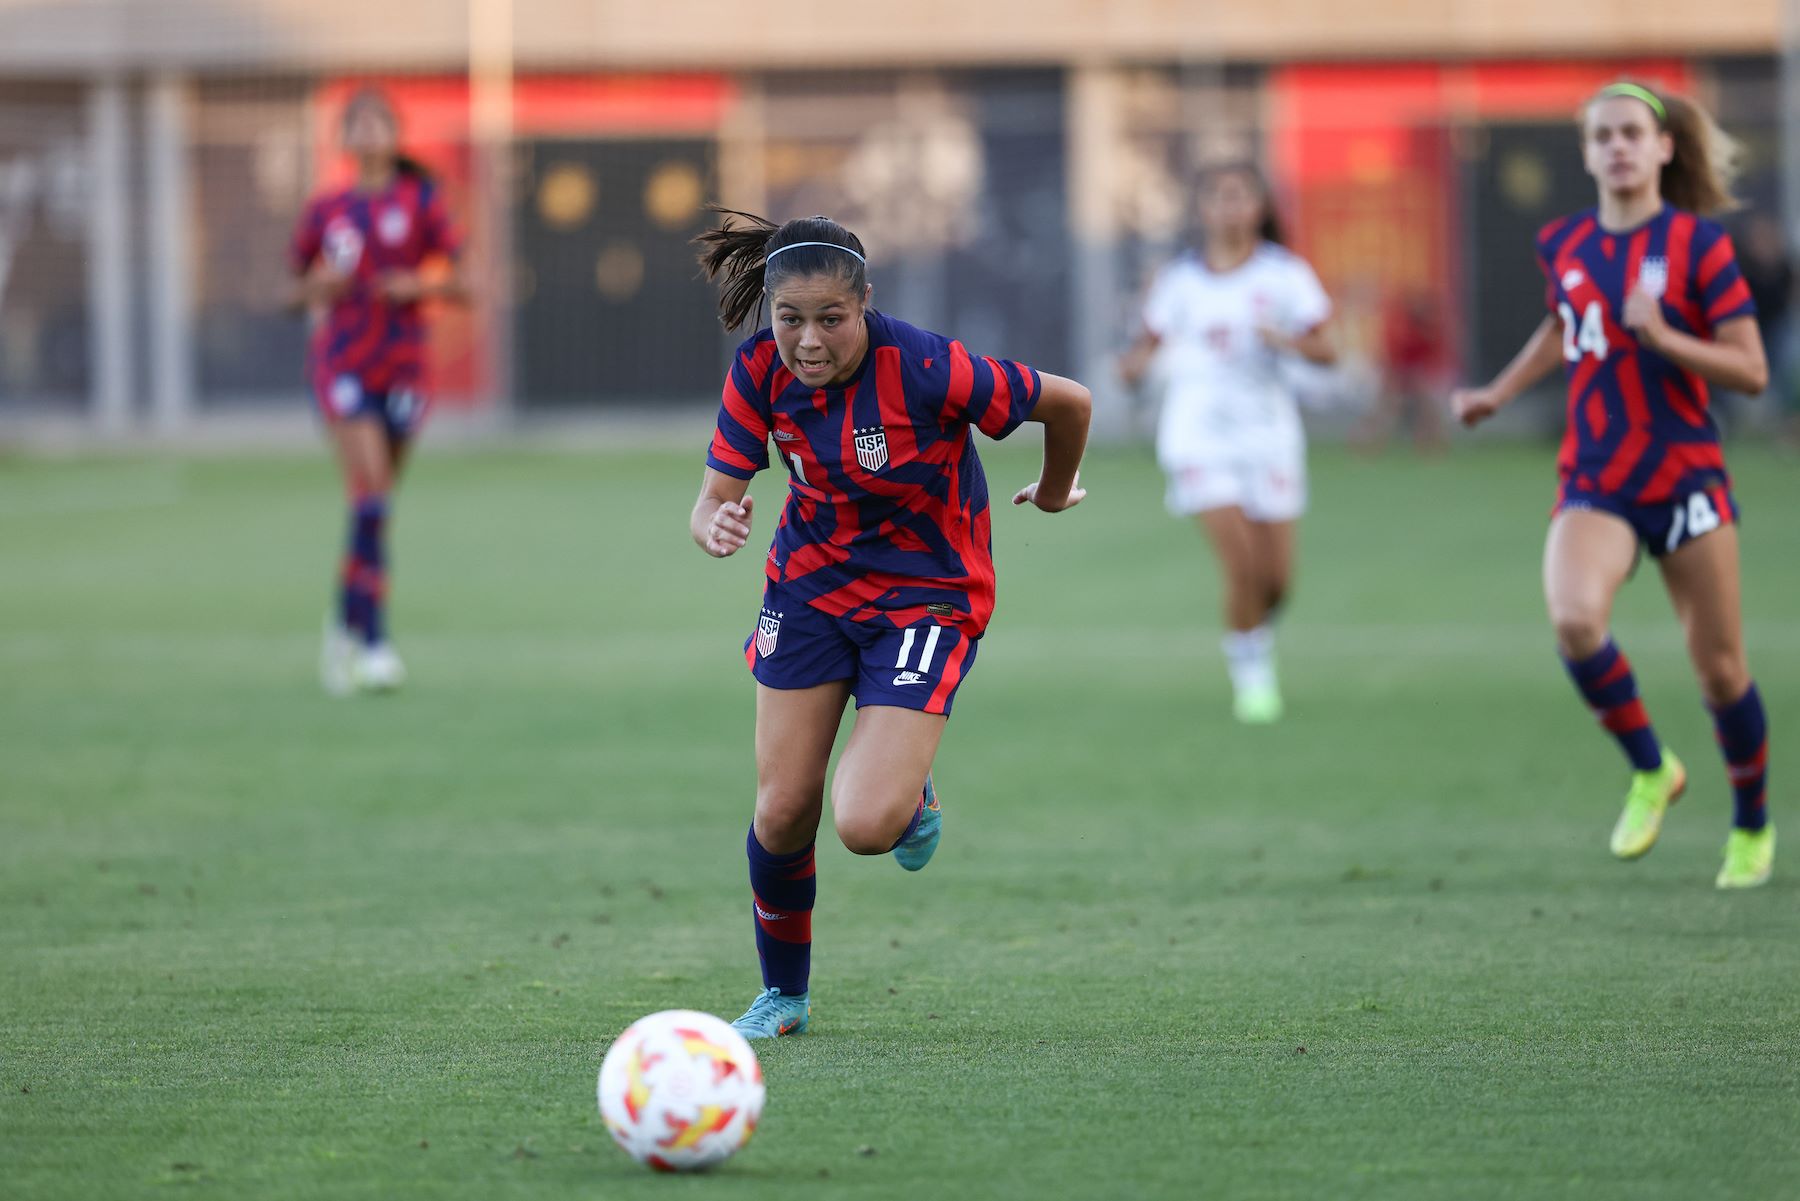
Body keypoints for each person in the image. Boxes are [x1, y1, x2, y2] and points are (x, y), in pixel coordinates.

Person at [690, 209, 1091, 1038]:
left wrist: (1054, 489)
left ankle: (905, 788)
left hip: (928, 592)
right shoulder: (759, 368)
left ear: (865, 304)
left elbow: (1069, 402)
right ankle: (784, 996)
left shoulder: (928, 367)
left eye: (830, 319)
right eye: (789, 318)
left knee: (867, 824)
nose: (807, 341)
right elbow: (713, 500)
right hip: (807, 589)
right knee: (782, 810)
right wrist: (715, 525)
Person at [1452, 80, 1773, 889]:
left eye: (1633, 132)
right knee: (1574, 620)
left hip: (1686, 474)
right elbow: (1566, 323)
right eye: (1603, 136)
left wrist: (1665, 336)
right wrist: (1498, 390)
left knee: (1722, 672)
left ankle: (1751, 822)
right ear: (1588, 152)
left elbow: (1753, 371)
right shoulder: (1566, 241)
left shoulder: (1698, 247)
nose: (1618, 146)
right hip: (1598, 472)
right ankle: (1650, 767)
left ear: (1665, 147)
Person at [1119, 164, 1336, 723]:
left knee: (1276, 581)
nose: (1231, 208)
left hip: (1269, 436)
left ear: (1260, 207)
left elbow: (1327, 351)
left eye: (1242, 197)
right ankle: (1254, 682)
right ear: (1204, 208)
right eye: (1220, 197)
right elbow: (1146, 347)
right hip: (1197, 437)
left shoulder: (1285, 275)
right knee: (1241, 566)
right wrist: (1133, 367)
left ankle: (1250, 636)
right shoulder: (1180, 281)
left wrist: (1284, 340)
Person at [289, 87, 466, 695]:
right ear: (343, 138)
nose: (366, 133)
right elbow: (289, 293)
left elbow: (467, 280)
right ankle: (374, 642)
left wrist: (416, 284)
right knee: (369, 495)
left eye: (376, 123)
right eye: (355, 124)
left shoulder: (420, 201)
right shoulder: (327, 209)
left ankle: (344, 617)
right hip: (342, 364)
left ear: (394, 134)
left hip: (404, 367)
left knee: (376, 505)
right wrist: (321, 286)